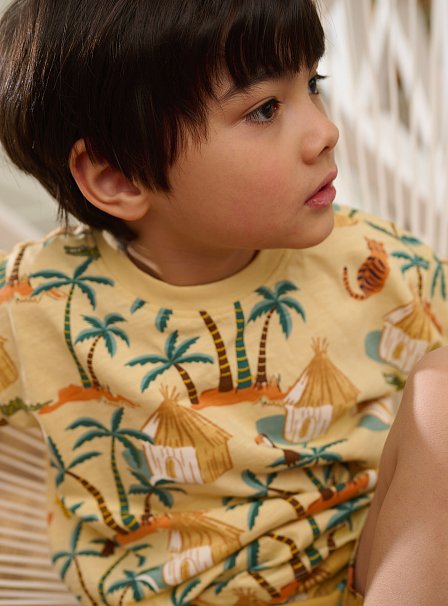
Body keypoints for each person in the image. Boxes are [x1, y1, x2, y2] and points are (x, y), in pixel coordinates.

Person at [0, 1, 446, 604]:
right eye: (265, 109)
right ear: (117, 177)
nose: (325, 131)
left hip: (371, 578)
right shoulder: (40, 302)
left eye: (313, 83)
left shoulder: (372, 262)